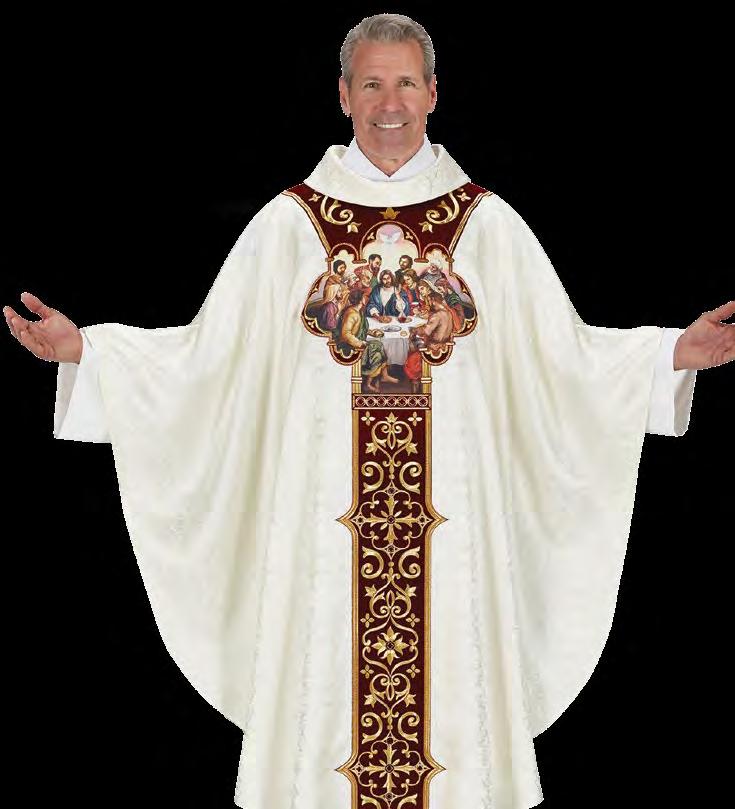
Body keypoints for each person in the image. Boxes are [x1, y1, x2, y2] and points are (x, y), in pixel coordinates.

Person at [4, 12, 734, 809]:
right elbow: (206, 359)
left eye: (406, 83)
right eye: (373, 84)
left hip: (452, 534)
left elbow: (564, 358)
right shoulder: (290, 225)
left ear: (433, 94)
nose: (391, 103)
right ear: (344, 95)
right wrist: (90, 351)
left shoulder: (485, 225)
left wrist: (670, 353)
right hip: (323, 531)